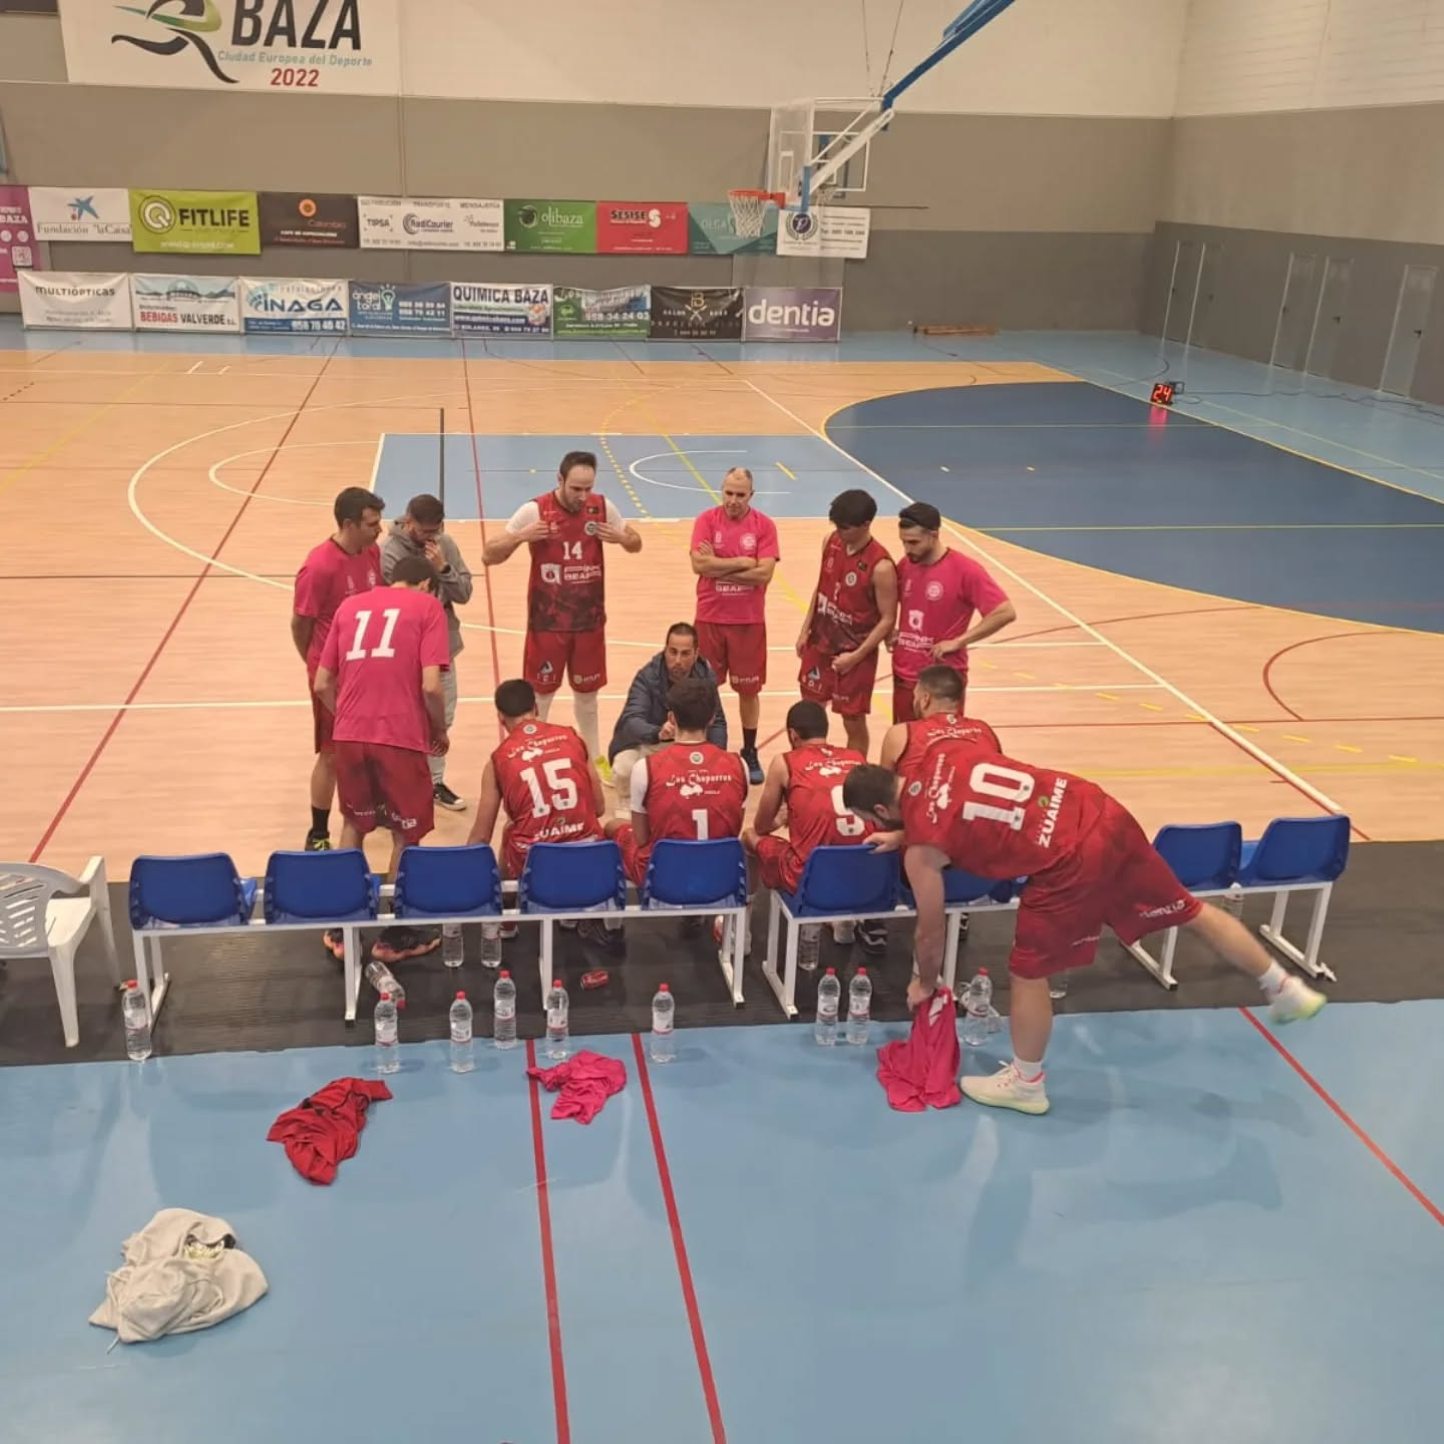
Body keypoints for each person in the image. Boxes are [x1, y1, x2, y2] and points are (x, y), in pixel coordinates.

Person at [843, 744, 1327, 1116]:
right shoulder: (941, 753)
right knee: (1190, 909)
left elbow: (930, 932)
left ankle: (1026, 1083)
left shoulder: (922, 852)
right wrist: (908, 832)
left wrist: (924, 982)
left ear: (880, 812)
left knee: (1028, 971)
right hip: (1096, 810)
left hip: (1067, 859)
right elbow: (972, 804)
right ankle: (1283, 987)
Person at [312, 554, 450, 961]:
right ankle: (396, 935)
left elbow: (322, 684)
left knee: (354, 824)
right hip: (400, 736)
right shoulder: (428, 606)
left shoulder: (350, 605)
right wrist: (438, 729)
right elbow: (431, 686)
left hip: (349, 735)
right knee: (406, 833)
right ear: (425, 584)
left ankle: (342, 928)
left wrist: (349, 717)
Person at [482, 450, 642, 773]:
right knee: (540, 696)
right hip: (548, 624)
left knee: (588, 696)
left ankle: (595, 760)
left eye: (588, 488)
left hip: (588, 623)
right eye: (575, 489)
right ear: (559, 479)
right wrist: (522, 537)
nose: (582, 496)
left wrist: (623, 538)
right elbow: (489, 555)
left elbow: (636, 543)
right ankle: (536, 756)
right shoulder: (535, 510)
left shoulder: (601, 507)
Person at [467, 678, 608, 947]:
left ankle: (507, 917)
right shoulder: (573, 737)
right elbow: (599, 807)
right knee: (593, 827)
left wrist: (463, 876)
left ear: (500, 718)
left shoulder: (498, 759)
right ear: (536, 709)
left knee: (510, 830)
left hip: (536, 866)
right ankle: (573, 914)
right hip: (587, 857)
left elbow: (480, 837)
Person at [743, 700, 886, 955]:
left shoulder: (785, 762)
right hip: (864, 876)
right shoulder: (856, 758)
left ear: (792, 735)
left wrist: (781, 818)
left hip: (811, 880)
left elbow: (761, 826)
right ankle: (844, 924)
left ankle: (741, 932)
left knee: (748, 837)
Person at [291, 486, 384, 850]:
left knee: (373, 745)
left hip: (368, 670)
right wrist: (316, 665)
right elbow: (300, 624)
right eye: (372, 524)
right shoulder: (319, 566)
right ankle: (318, 833)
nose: (379, 530)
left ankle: (371, 811)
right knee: (331, 754)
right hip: (334, 677)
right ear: (349, 524)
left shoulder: (372, 552)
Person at [380, 493, 473, 813]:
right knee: (403, 721)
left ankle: (434, 783)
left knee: (442, 717)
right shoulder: (389, 552)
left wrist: (443, 567)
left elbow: (464, 593)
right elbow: (401, 606)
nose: (431, 537)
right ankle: (399, 785)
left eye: (436, 530)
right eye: (425, 531)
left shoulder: (445, 545)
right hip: (404, 653)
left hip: (443, 647)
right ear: (409, 522)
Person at [607, 678, 748, 884]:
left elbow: (641, 838)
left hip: (665, 877)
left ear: (671, 718)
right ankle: (743, 901)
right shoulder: (739, 765)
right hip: (719, 872)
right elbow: (734, 828)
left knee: (613, 827)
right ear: (711, 718)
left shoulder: (645, 768)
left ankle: (605, 900)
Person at [690, 467, 779, 785]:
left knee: (748, 691)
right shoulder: (706, 520)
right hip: (710, 618)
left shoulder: (764, 526)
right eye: (728, 493)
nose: (733, 500)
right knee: (704, 688)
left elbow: (764, 574)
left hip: (748, 621)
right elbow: (698, 565)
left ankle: (750, 750)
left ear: (751, 495)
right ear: (721, 490)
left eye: (740, 495)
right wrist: (743, 562)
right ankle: (704, 749)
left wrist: (717, 565)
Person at [891, 502, 1016, 723]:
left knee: (944, 741)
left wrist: (959, 641)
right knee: (904, 739)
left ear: (934, 534)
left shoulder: (965, 570)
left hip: (943, 682)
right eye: (904, 542)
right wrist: (890, 630)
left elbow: (1004, 611)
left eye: (913, 542)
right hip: (906, 673)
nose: (907, 549)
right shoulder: (906, 565)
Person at [797, 488, 898, 757]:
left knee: (852, 721)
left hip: (855, 654)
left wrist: (855, 657)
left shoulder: (881, 566)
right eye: (837, 526)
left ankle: (855, 771)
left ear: (866, 524)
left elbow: (888, 619)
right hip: (820, 643)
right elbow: (821, 587)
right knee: (809, 712)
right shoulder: (830, 542)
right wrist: (805, 629)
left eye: (846, 528)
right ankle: (807, 766)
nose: (840, 532)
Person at [608, 623, 727, 815]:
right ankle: (627, 805)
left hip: (690, 744)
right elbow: (631, 719)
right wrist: (658, 732)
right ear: (665, 650)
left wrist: (718, 757)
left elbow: (718, 721)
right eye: (673, 652)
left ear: (696, 654)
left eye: (685, 654)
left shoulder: (706, 677)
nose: (677, 660)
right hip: (652, 742)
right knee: (624, 768)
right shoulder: (647, 676)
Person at [878, 664, 1000, 782]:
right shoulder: (984, 730)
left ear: (925, 699)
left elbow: (884, 790)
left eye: (915, 696)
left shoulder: (901, 734)